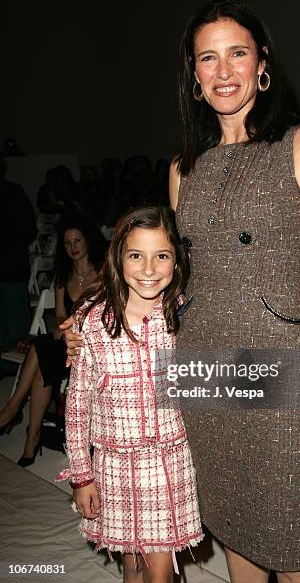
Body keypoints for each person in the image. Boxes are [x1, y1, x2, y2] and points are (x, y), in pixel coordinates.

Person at [63, 0, 300, 583]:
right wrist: (98, 326)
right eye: (208, 58)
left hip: (281, 373)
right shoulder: (183, 167)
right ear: (193, 75)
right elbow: (168, 281)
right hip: (202, 370)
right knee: (233, 534)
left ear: (262, 64)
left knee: (297, 546)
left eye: (237, 54)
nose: (224, 71)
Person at [57, 206, 203, 583]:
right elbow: (76, 407)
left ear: (177, 260)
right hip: (113, 466)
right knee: (131, 564)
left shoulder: (183, 315)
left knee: (159, 570)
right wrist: (81, 476)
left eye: (162, 256)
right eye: (136, 255)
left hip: (167, 461)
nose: (149, 269)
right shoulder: (94, 322)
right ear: (118, 256)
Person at [0, 213, 107, 465]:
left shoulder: (103, 272)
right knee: (44, 360)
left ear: (88, 241)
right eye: (68, 242)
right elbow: (60, 312)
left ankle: (14, 414)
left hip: (93, 344)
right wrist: (62, 326)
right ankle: (29, 432)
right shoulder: (63, 275)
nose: (73, 247)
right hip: (68, 342)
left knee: (41, 355)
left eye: (77, 240)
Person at [0, 155, 37, 352]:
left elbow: (28, 230)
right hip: (13, 264)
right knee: (14, 321)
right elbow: (29, 230)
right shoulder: (14, 192)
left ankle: (21, 367)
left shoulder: (13, 193)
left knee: (16, 324)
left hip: (11, 265)